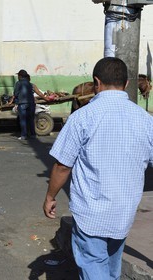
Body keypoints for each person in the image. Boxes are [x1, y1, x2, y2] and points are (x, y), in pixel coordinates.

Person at [42, 57, 153, 280]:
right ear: (127, 83)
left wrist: (50, 196)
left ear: (96, 82)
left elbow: (63, 166)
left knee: (95, 268)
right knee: (111, 266)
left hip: (91, 215)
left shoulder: (82, 118)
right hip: (124, 212)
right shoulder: (146, 120)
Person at [11, 69, 36, 140]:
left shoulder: (18, 83)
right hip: (31, 103)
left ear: (20, 76)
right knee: (31, 119)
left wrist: (15, 101)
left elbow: (15, 93)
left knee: (23, 120)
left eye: (18, 75)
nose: (18, 77)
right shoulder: (30, 83)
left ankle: (24, 135)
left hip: (22, 103)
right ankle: (33, 134)